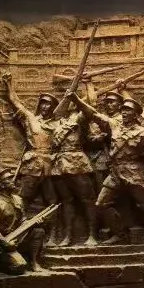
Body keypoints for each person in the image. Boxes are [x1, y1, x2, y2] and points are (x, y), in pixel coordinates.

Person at [71, 93, 144, 242]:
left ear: (136, 115)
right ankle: (120, 235)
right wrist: (76, 99)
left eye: (128, 110)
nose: (124, 112)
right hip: (115, 173)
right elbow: (94, 114)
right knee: (101, 204)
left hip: (134, 173)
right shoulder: (114, 126)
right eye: (123, 110)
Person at [2, 73, 58, 214]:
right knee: (22, 197)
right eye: (43, 103)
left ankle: (51, 225)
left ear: (53, 107)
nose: (45, 106)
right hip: (32, 165)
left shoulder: (58, 123)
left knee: (52, 200)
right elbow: (15, 101)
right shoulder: (31, 118)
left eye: (48, 104)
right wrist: (8, 83)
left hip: (49, 166)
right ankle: (18, 220)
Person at [50, 99, 98, 246]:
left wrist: (75, 96)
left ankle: (92, 235)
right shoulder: (58, 121)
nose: (68, 102)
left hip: (77, 161)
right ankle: (68, 236)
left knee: (87, 199)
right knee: (67, 201)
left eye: (71, 101)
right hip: (60, 163)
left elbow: (91, 112)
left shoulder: (79, 117)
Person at [0, 167, 45, 275]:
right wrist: (5, 243)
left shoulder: (18, 199)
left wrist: (32, 223)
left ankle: (33, 261)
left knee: (38, 231)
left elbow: (22, 220)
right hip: (1, 242)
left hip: (17, 237)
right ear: (1, 185)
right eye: (9, 179)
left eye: (12, 178)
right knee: (19, 266)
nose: (13, 181)